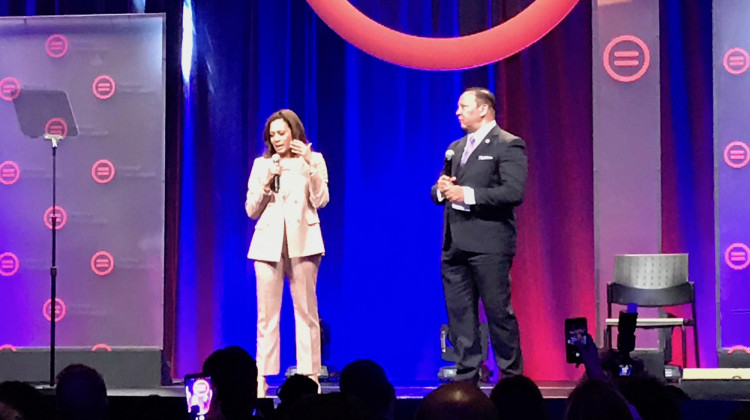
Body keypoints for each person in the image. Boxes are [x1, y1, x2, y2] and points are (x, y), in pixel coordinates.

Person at [431, 87, 527, 383]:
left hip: (489, 244)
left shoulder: (508, 144)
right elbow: (439, 191)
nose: (457, 112)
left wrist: (466, 194)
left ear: (484, 109)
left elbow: (513, 192)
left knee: (499, 313)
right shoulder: (456, 147)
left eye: (464, 106)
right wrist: (440, 190)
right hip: (454, 244)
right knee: (460, 314)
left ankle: (511, 377)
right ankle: (467, 374)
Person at [245, 109, 330, 397]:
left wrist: (310, 166)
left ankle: (310, 375)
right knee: (266, 315)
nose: (277, 138)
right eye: (272, 134)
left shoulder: (313, 160)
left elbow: (321, 199)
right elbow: (251, 209)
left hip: (304, 242)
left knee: (306, 312)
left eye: (282, 132)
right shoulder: (262, 164)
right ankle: (262, 377)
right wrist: (268, 180)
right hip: (268, 244)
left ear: (294, 131)